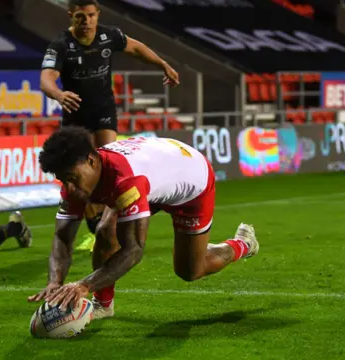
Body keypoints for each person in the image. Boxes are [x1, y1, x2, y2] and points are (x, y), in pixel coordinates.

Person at [27, 127, 259, 319]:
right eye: (61, 180)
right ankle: (104, 305)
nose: (67, 188)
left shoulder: (125, 180)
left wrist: (84, 285)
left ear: (90, 161)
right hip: (156, 172)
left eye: (71, 179)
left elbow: (134, 250)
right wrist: (54, 281)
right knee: (106, 230)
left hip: (191, 181)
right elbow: (62, 237)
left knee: (190, 270)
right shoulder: (79, 181)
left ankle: (242, 244)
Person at [39, 0, 180, 252]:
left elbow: (136, 48)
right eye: (80, 16)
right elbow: (46, 77)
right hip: (75, 119)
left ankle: (107, 228)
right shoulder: (60, 44)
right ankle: (96, 227)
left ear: (97, 15)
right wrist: (58, 94)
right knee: (83, 180)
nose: (87, 21)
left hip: (104, 111)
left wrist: (162, 64)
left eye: (91, 15)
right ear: (71, 15)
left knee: (106, 167)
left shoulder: (108, 35)